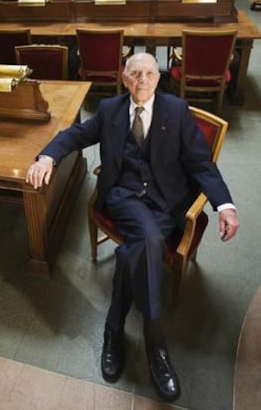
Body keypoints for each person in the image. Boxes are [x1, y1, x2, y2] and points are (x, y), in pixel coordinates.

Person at [26, 52, 240, 403]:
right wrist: (48, 156)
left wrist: (225, 205)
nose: (142, 80)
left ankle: (114, 327)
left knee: (137, 248)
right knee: (151, 238)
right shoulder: (110, 110)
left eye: (150, 73)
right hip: (125, 197)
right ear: (124, 79)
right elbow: (76, 134)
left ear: (160, 77)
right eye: (135, 74)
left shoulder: (176, 110)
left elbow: (201, 163)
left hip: (166, 201)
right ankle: (157, 347)